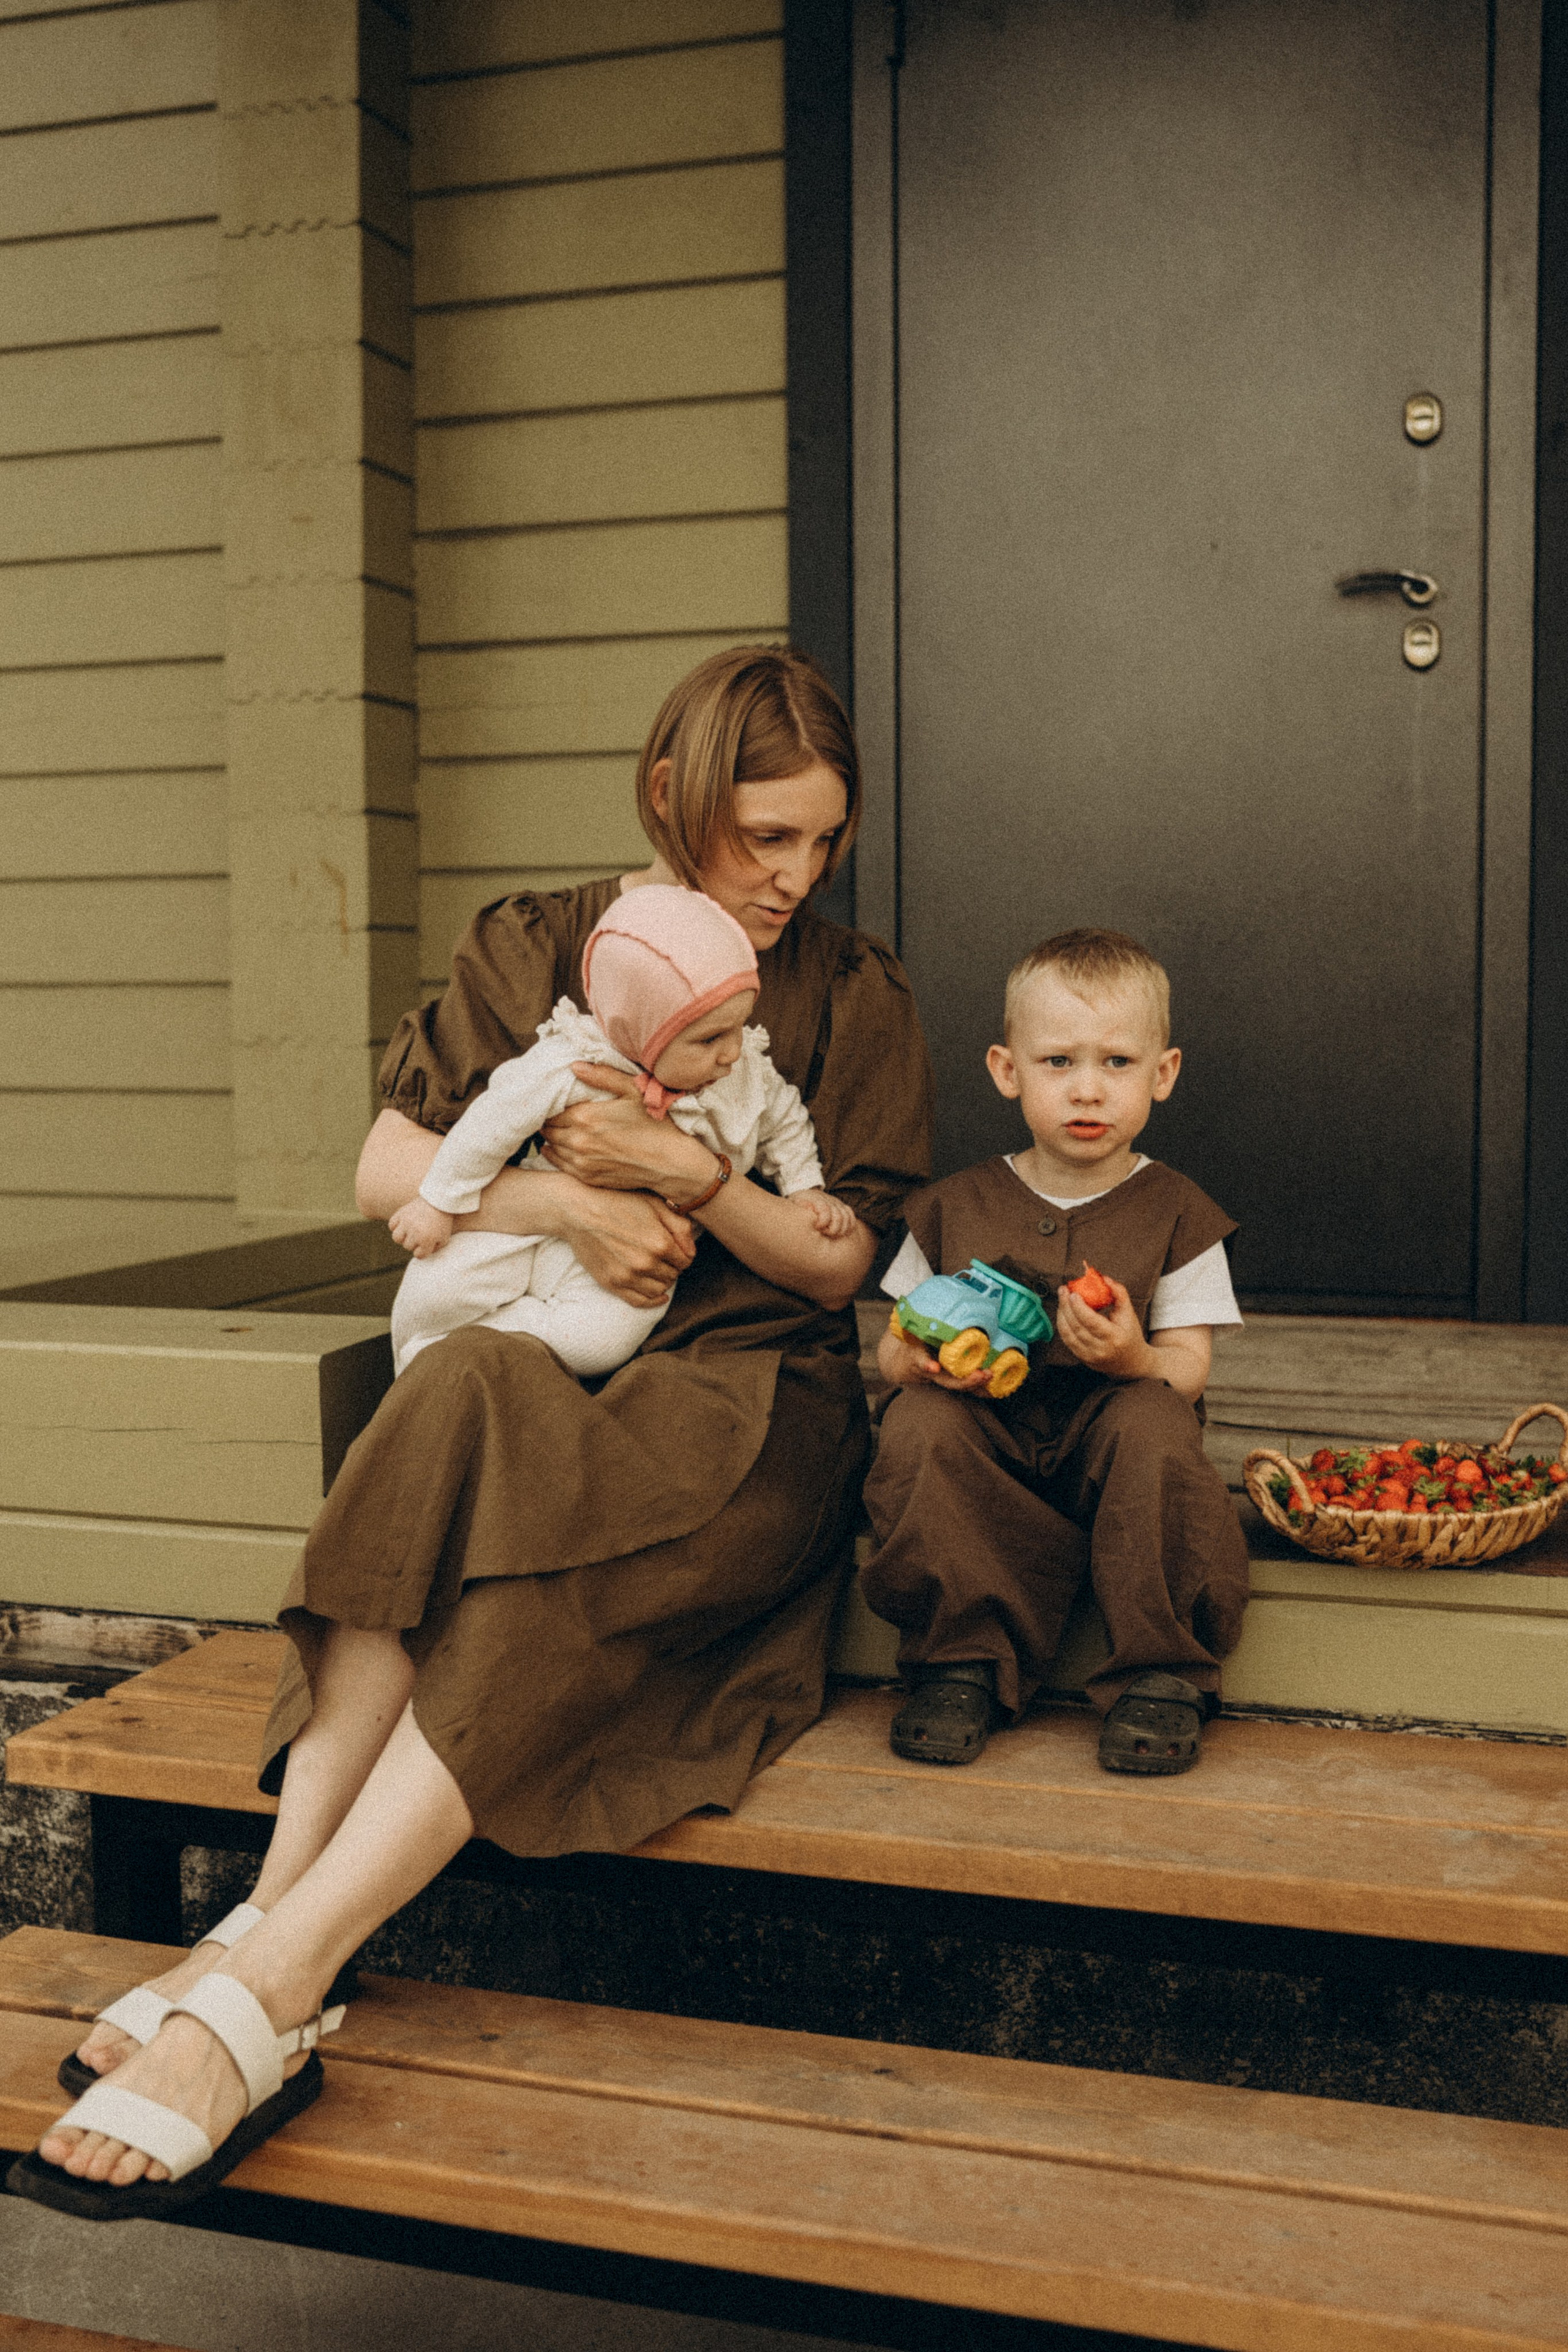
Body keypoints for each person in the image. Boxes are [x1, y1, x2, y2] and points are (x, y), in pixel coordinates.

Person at [12, 646, 932, 2216]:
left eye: (819, 840)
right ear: (670, 796)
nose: (793, 876)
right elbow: (394, 1172)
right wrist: (569, 1197)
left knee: (522, 1593)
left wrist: (695, 1179)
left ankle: (264, 1980)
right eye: (760, 834)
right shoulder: (538, 944)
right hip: (549, 1361)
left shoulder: (847, 993)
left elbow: (843, 1260)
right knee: (437, 1388)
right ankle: (271, 1927)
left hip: (746, 1394)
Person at [861, 927, 1250, 1775]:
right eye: (1058, 1062)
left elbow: (1186, 1368)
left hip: (1109, 1441)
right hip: (986, 1445)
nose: (1088, 1089)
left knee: (1155, 1421)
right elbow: (892, 1347)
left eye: (1117, 1063)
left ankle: (1160, 1667)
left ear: (1163, 1074)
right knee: (919, 1422)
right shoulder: (953, 1205)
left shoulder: (1178, 1211)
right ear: (1008, 1071)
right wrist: (921, 1364)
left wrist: (1133, 1360)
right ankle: (961, 1658)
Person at [388, 884, 855, 1376]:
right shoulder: (576, 1061)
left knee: (601, 1341)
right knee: (433, 1284)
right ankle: (424, 1356)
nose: (733, 1052)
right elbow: (491, 1123)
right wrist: (438, 1202)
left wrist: (805, 1187)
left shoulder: (742, 1077)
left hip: (635, 1259)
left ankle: (495, 1345)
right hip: (527, 1232)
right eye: (711, 1038)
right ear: (639, 1031)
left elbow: (784, 1119)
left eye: (740, 1027)